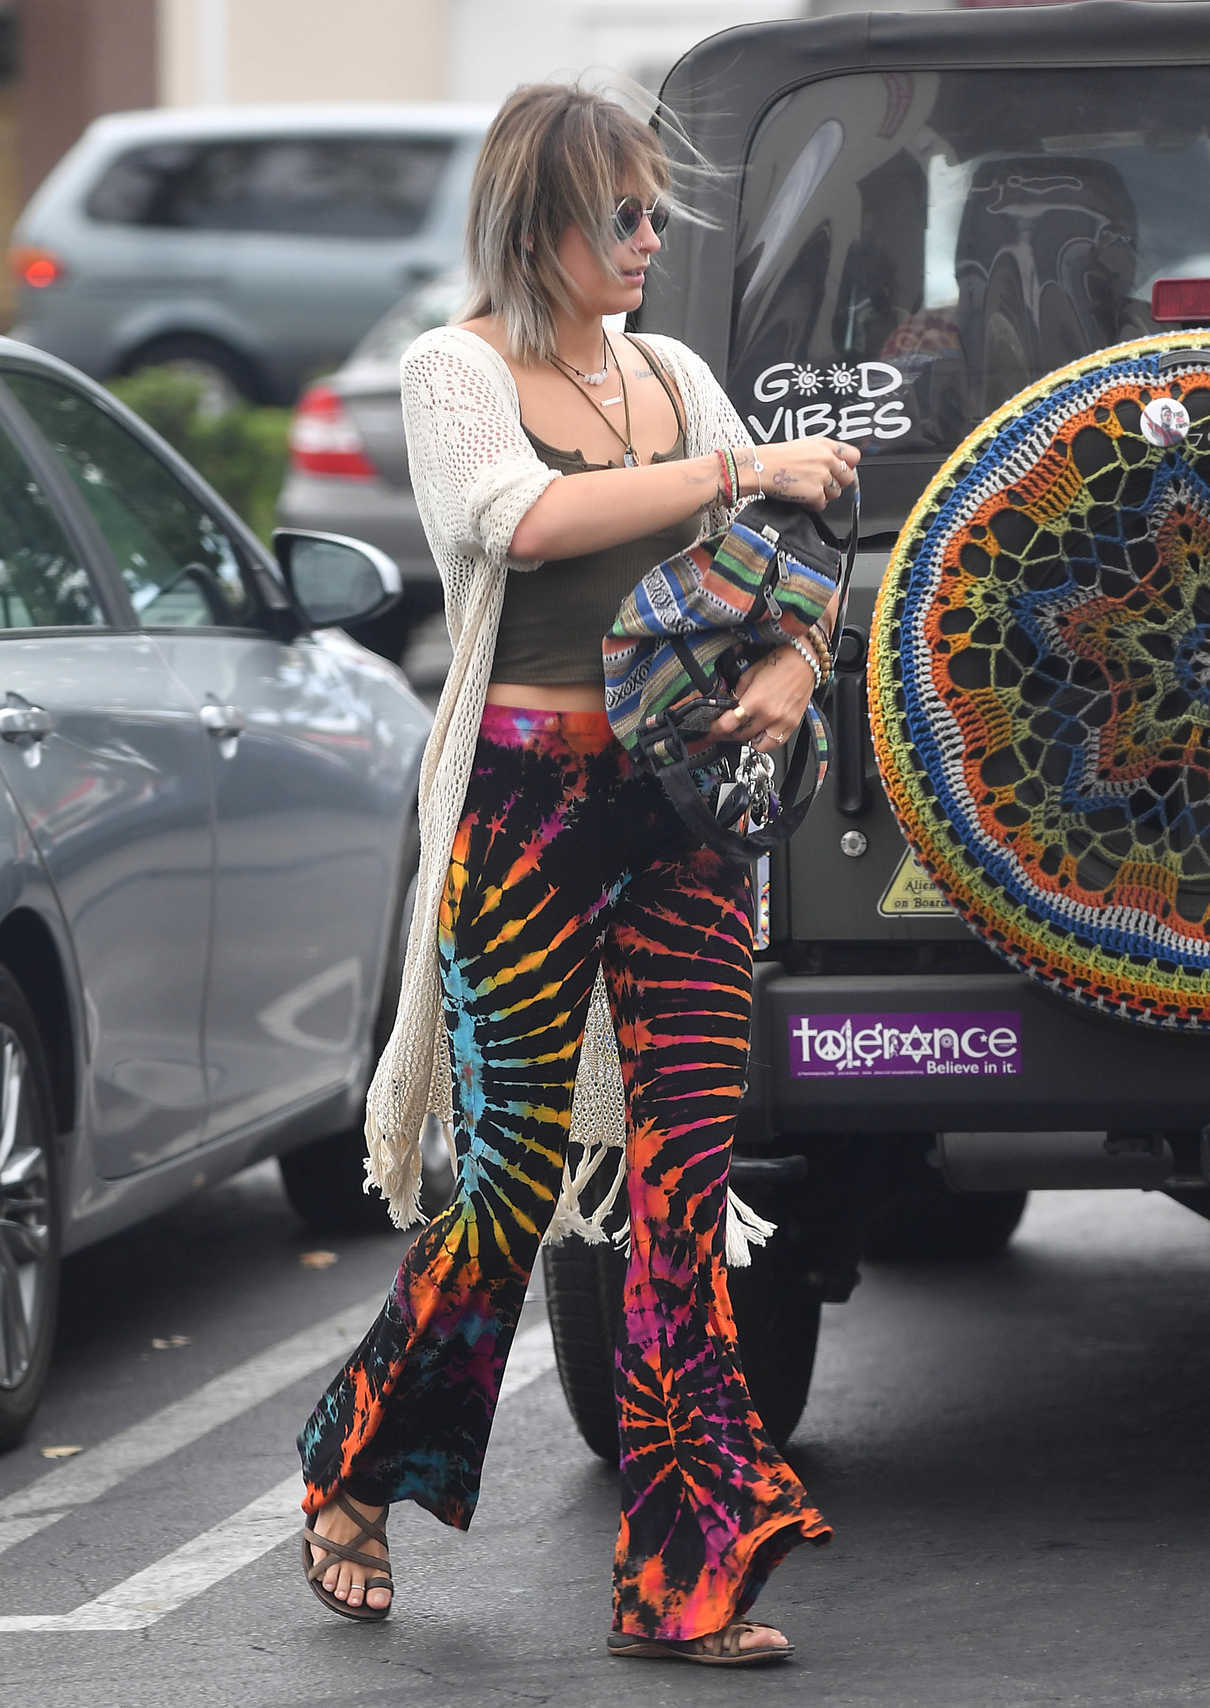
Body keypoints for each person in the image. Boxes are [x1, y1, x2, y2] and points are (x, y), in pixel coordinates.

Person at [295, 81, 860, 1667]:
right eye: (622, 212)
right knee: (514, 1179)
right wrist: (740, 475)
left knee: (685, 1189)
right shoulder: (453, 370)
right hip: (525, 813)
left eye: (654, 210)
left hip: (679, 808)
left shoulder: (671, 370)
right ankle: (354, 1468)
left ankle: (683, 1583)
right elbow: (517, 520)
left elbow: (795, 560)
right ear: (538, 222)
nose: (651, 236)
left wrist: (798, 666)